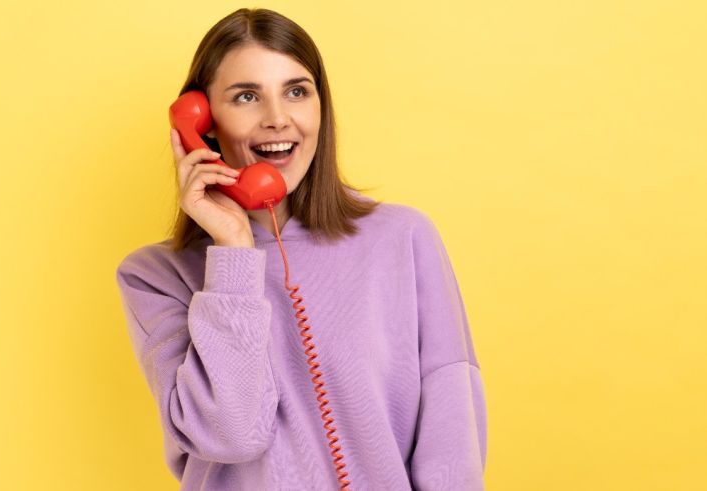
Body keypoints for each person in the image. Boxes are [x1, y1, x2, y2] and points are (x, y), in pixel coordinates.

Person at [116, 8, 487, 490]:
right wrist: (234, 254)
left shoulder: (403, 238)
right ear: (202, 122)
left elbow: (450, 442)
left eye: (297, 91)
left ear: (320, 106)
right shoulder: (154, 276)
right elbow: (231, 437)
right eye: (246, 96)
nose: (277, 119)